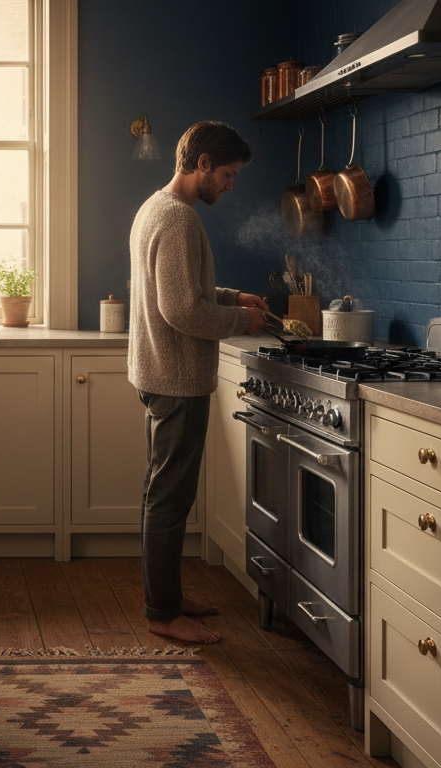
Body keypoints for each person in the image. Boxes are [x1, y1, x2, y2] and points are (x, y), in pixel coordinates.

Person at [128, 121, 269, 645]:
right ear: (204, 164)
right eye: (228, 174)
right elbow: (183, 309)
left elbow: (183, 287)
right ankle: (161, 613)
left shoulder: (155, 208)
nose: (231, 186)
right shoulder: (180, 219)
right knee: (169, 498)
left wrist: (232, 298)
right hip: (178, 379)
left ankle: (165, 597)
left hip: (158, 373)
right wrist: (242, 323)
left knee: (161, 494)